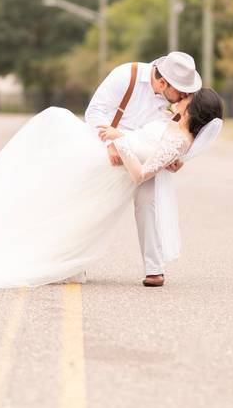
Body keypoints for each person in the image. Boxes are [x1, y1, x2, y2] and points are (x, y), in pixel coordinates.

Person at [0, 78, 224, 289]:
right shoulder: (171, 125)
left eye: (189, 98)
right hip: (106, 162)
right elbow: (150, 146)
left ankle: (44, 253)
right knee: (56, 162)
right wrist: (121, 136)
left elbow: (142, 173)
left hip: (111, 169)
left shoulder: (179, 140)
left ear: (194, 109)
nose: (183, 99)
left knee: (57, 148)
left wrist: (120, 142)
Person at [83, 51, 202, 287]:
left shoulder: (176, 103)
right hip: (109, 149)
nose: (184, 97)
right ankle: (77, 261)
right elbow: (94, 111)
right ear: (162, 82)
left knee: (148, 203)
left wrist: (175, 158)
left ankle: (154, 269)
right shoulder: (126, 75)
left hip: (144, 155)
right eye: (181, 92)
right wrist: (110, 144)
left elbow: (177, 133)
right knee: (94, 206)